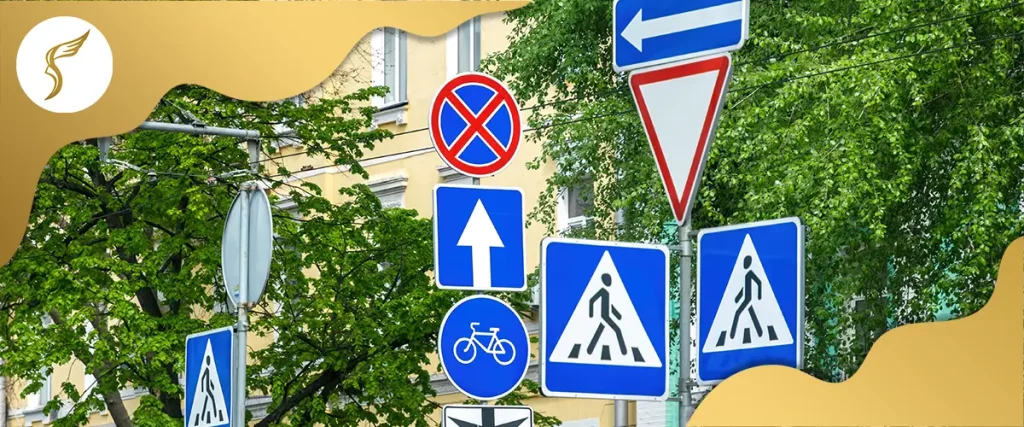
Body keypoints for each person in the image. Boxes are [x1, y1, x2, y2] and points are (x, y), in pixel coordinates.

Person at [587, 273, 627, 357]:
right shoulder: (602, 291)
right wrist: (591, 313)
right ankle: (624, 352)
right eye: (608, 280)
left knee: (598, 332)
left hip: (606, 316)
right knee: (617, 330)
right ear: (604, 281)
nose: (610, 282)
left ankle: (589, 350)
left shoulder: (607, 292)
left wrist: (617, 315)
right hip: (604, 316)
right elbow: (591, 300)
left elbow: (609, 306)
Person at [730, 256, 764, 340]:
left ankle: (732, 334)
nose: (744, 264)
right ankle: (760, 332)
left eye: (746, 262)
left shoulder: (750, 273)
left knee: (737, 312)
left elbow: (759, 282)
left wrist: (759, 295)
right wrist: (738, 297)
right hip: (747, 298)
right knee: (752, 314)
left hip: (748, 298)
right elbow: (745, 288)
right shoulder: (745, 274)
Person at [196, 355, 224, 425]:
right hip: (207, 389)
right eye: (208, 361)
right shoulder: (206, 369)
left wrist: (212, 385)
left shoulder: (209, 369)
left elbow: (210, 378)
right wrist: (202, 388)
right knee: (213, 400)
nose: (209, 362)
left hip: (209, 388)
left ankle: (202, 417)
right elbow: (203, 378)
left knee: (205, 403)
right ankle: (215, 414)